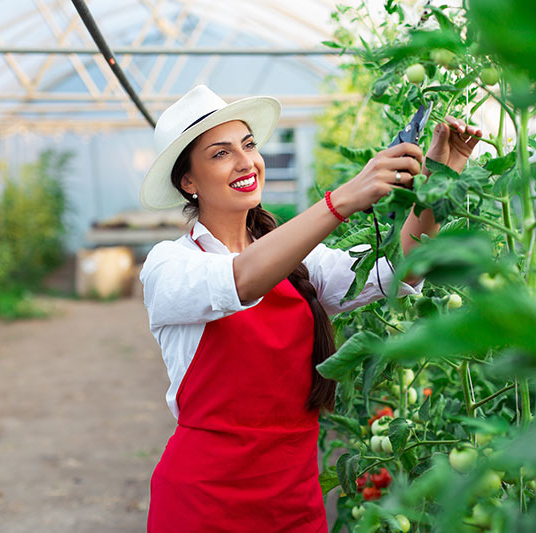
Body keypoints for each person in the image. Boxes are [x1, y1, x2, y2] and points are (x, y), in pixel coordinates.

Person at [138, 85, 481, 532]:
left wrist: (440, 179)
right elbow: (239, 280)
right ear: (188, 181)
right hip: (205, 501)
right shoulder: (170, 264)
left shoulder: (300, 263)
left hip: (293, 498)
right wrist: (342, 200)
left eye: (249, 146)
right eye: (220, 154)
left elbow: (398, 270)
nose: (246, 162)